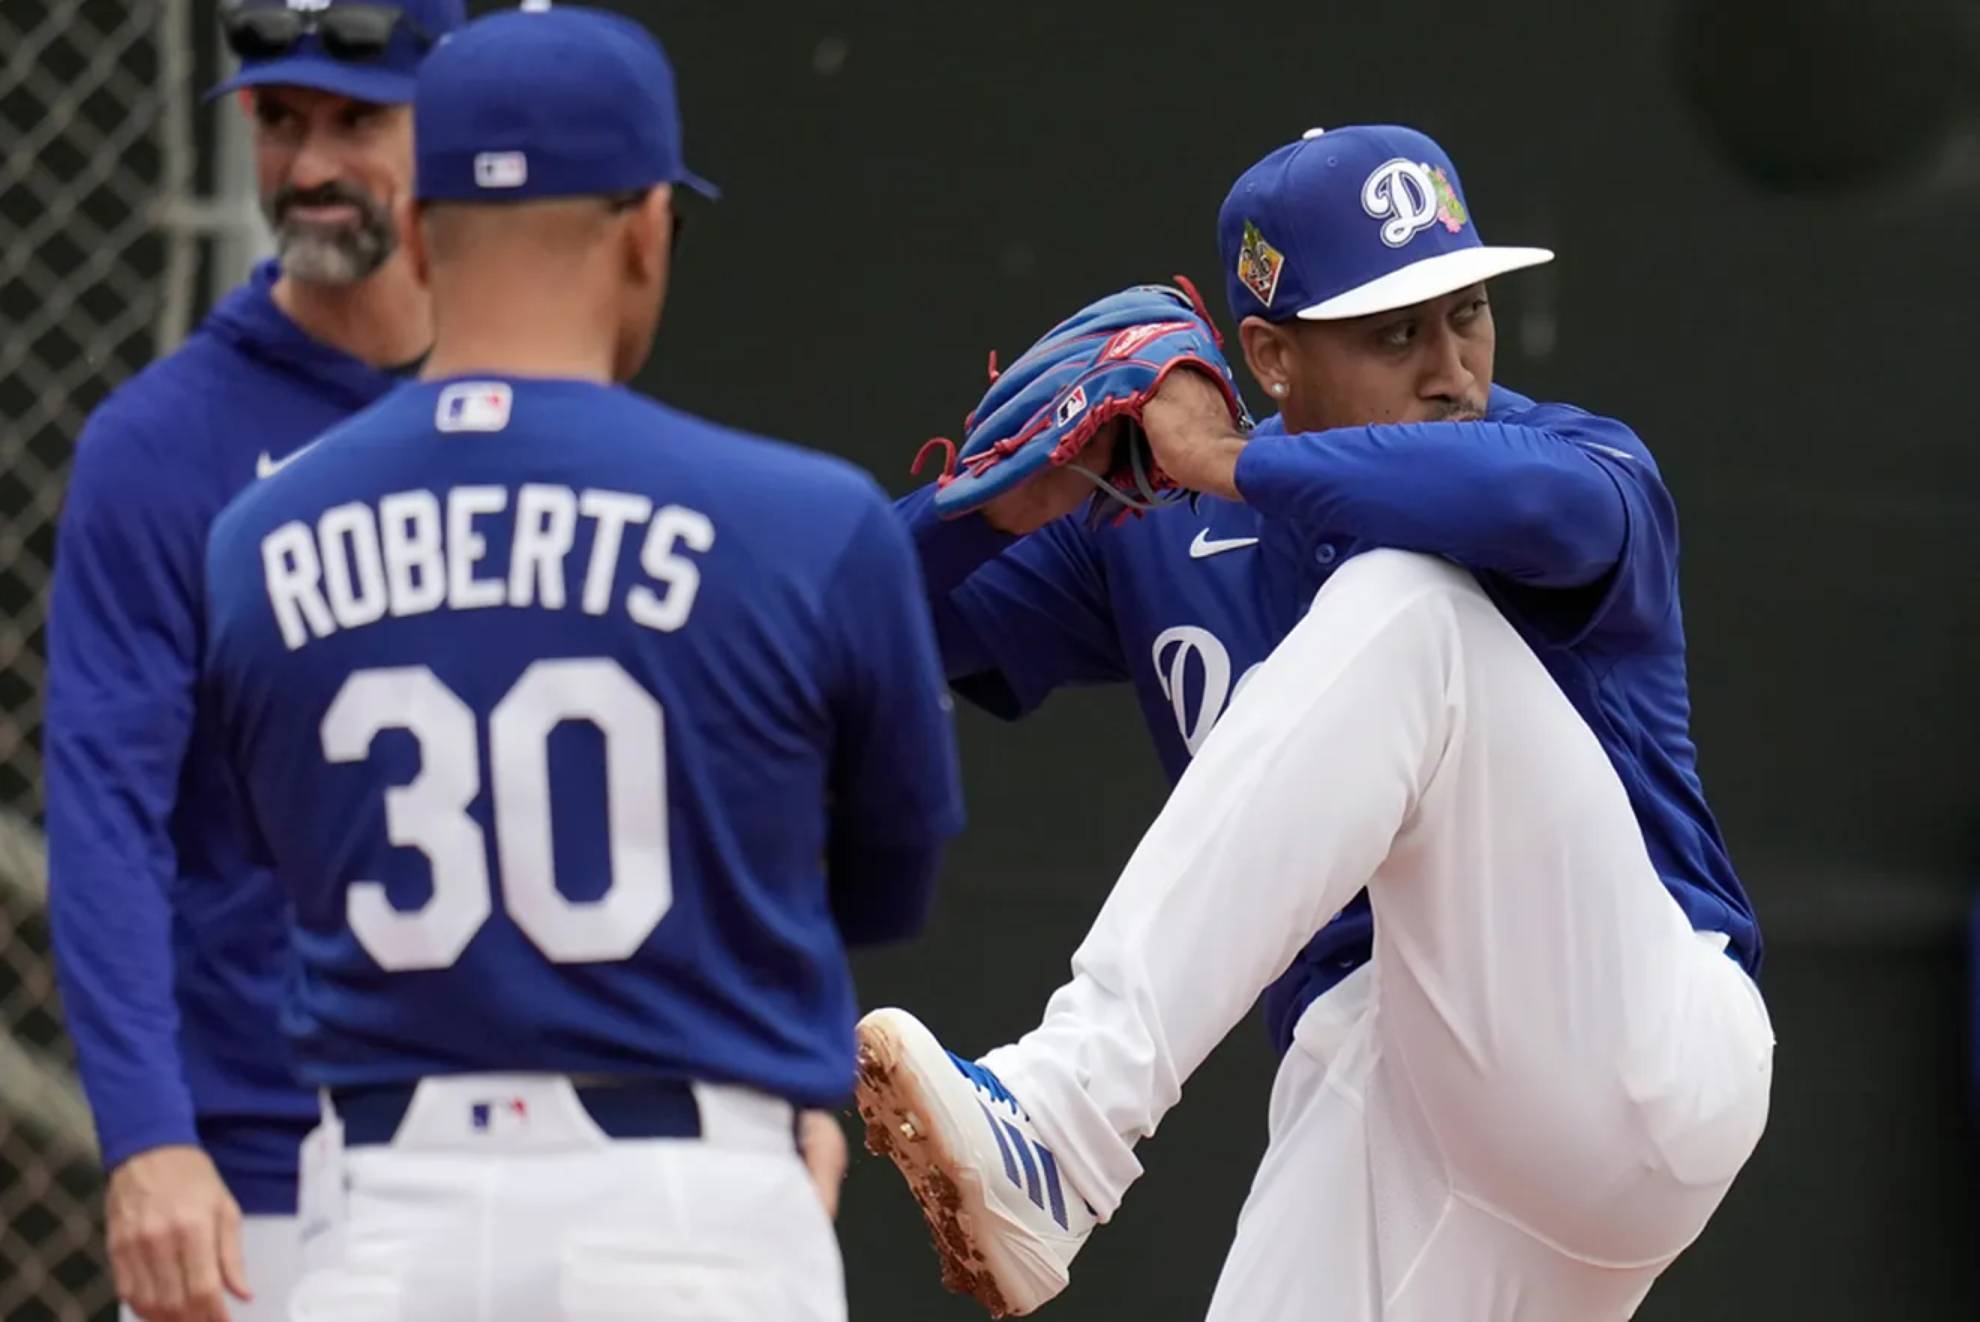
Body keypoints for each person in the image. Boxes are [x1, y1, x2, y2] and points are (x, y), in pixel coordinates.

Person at [857, 124, 1774, 1320]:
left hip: (1632, 1045)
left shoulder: (1577, 461)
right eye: (1397, 331)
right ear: (1272, 356)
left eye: (1469, 311)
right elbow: (843, 625)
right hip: (1383, 1102)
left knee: (1408, 603)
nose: (1452, 367)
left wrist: (1228, 458)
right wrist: (993, 512)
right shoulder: (1165, 532)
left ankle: (1068, 1113)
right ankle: (1053, 1143)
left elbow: (1506, 499)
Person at [198, 8, 963, 1320]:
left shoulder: (257, 538)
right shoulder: (809, 520)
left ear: (423, 230)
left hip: (380, 1225)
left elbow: (262, 860)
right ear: (648, 226)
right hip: (690, 1212)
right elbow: (886, 886)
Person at [45, 4, 463, 1319]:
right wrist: (150, 1137)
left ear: (444, 123)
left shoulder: (539, 392)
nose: (312, 166)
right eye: (282, 122)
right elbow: (104, 810)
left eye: (358, 121)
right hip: (261, 1169)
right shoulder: (159, 444)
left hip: (523, 1142)